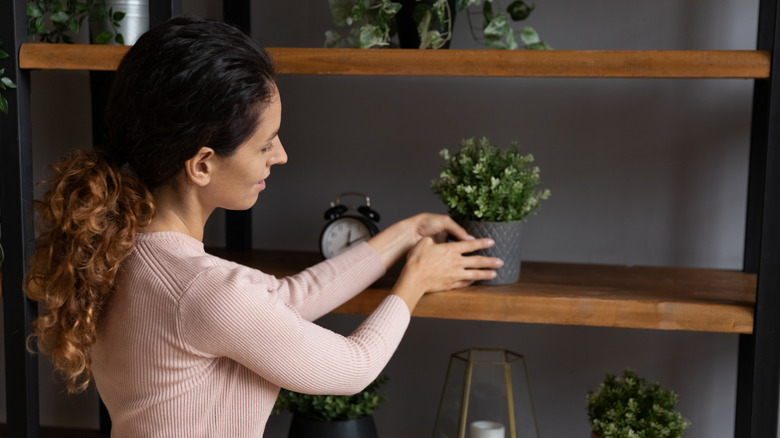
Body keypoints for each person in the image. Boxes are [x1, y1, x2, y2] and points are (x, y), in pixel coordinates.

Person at [25, 16, 503, 437]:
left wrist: (404, 235)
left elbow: (279, 302)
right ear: (202, 165)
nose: (281, 155)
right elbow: (353, 368)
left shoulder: (121, 244)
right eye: (265, 144)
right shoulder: (202, 289)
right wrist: (415, 281)